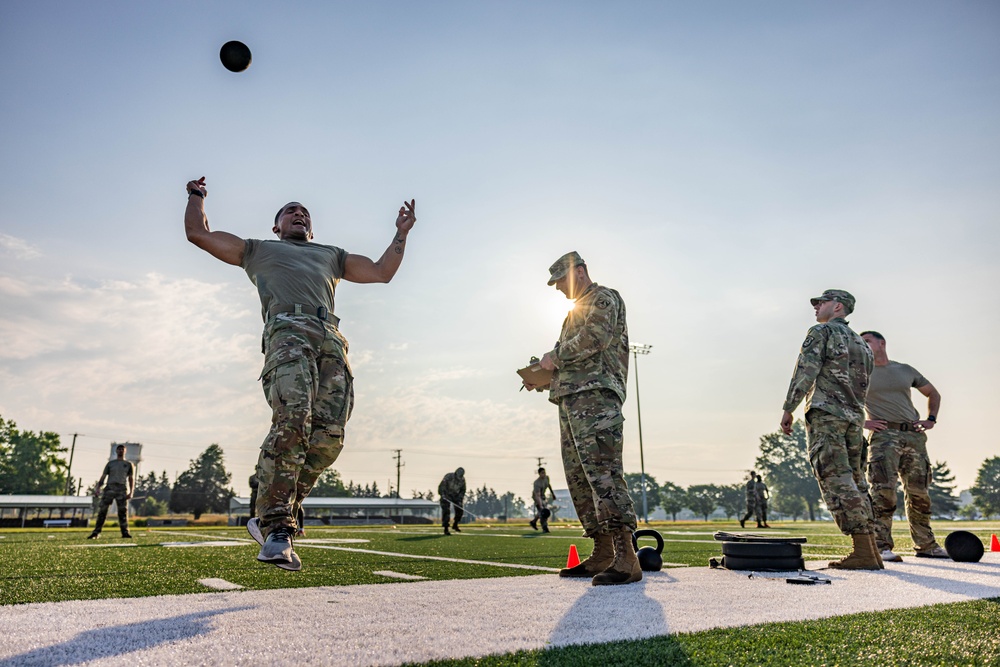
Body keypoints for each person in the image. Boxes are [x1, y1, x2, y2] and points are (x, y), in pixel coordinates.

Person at [184, 177, 415, 571]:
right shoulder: (258, 249)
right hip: (288, 330)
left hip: (330, 338)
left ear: (312, 228)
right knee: (294, 418)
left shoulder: (332, 255)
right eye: (290, 211)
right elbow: (198, 234)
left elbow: (381, 272)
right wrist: (196, 195)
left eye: (304, 212)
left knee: (328, 437)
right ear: (277, 226)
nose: (298, 213)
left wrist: (400, 234)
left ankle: (275, 508)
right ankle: (277, 528)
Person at [522, 251, 640, 586]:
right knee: (580, 479)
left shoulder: (603, 298)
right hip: (573, 401)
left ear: (581, 271)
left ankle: (626, 557)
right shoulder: (576, 309)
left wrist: (553, 358)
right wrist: (541, 377)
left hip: (597, 399)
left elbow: (595, 339)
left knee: (603, 475)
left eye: (562, 279)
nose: (559, 288)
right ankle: (603, 552)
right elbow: (575, 356)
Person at [780, 289, 881, 570]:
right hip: (853, 419)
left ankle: (862, 550)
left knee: (835, 478)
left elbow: (805, 369)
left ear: (837, 307)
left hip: (827, 414)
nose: (815, 307)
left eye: (821, 302)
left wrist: (789, 407)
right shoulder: (862, 344)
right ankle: (870, 550)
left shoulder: (822, 332)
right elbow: (863, 384)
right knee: (857, 481)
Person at [860, 331, 948, 562]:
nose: (863, 345)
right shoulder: (858, 372)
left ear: (882, 343)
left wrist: (931, 419)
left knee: (919, 493)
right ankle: (881, 546)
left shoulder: (905, 370)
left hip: (913, 436)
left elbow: (933, 393)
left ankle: (926, 545)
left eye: (867, 340)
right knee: (883, 492)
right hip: (883, 437)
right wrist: (862, 422)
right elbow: (840, 402)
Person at [88, 444, 135, 539]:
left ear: (125, 451)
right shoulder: (110, 464)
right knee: (103, 511)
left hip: (121, 489)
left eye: (122, 449)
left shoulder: (129, 464)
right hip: (110, 488)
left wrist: (131, 492)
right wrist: (98, 489)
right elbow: (103, 477)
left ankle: (125, 532)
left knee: (123, 512)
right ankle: (96, 532)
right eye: (119, 449)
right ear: (116, 451)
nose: (121, 451)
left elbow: (131, 479)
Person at [438, 468, 466, 535]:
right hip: (446, 495)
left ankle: (455, 524)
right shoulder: (448, 476)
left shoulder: (462, 479)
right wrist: (443, 495)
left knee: (460, 510)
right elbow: (442, 486)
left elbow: (463, 490)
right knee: (446, 511)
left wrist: (460, 498)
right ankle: (446, 528)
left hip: (455, 495)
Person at [530, 467, 556, 532]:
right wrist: (540, 505)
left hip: (543, 496)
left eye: (544, 473)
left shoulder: (547, 478)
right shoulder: (536, 483)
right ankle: (545, 527)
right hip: (537, 497)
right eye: (542, 473)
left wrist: (553, 494)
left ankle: (533, 522)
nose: (544, 474)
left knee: (542, 511)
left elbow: (549, 485)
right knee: (542, 511)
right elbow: (537, 495)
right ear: (539, 474)